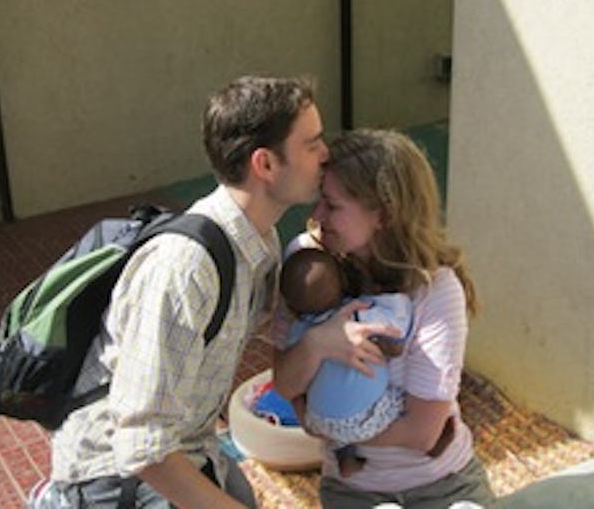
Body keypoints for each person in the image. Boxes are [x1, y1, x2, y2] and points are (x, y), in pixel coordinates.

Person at [29, 75, 328, 509]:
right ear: (265, 164)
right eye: (312, 144)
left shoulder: (258, 243)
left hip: (190, 442)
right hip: (111, 471)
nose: (326, 153)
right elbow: (140, 446)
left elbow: (278, 330)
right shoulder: (185, 268)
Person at [273, 128, 496, 509]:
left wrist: (326, 425)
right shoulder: (307, 267)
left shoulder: (436, 289)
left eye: (332, 205)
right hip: (353, 490)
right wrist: (316, 344)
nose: (315, 215)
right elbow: (285, 384)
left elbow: (423, 434)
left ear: (384, 215)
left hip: (445, 483)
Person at [279, 246, 414, 477]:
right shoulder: (358, 313)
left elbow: (290, 368)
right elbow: (396, 324)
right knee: (401, 401)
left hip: (318, 421)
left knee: (337, 415)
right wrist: (388, 345)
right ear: (343, 283)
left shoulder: (298, 331)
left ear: (291, 306)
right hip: (365, 419)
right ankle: (438, 441)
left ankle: (345, 458)